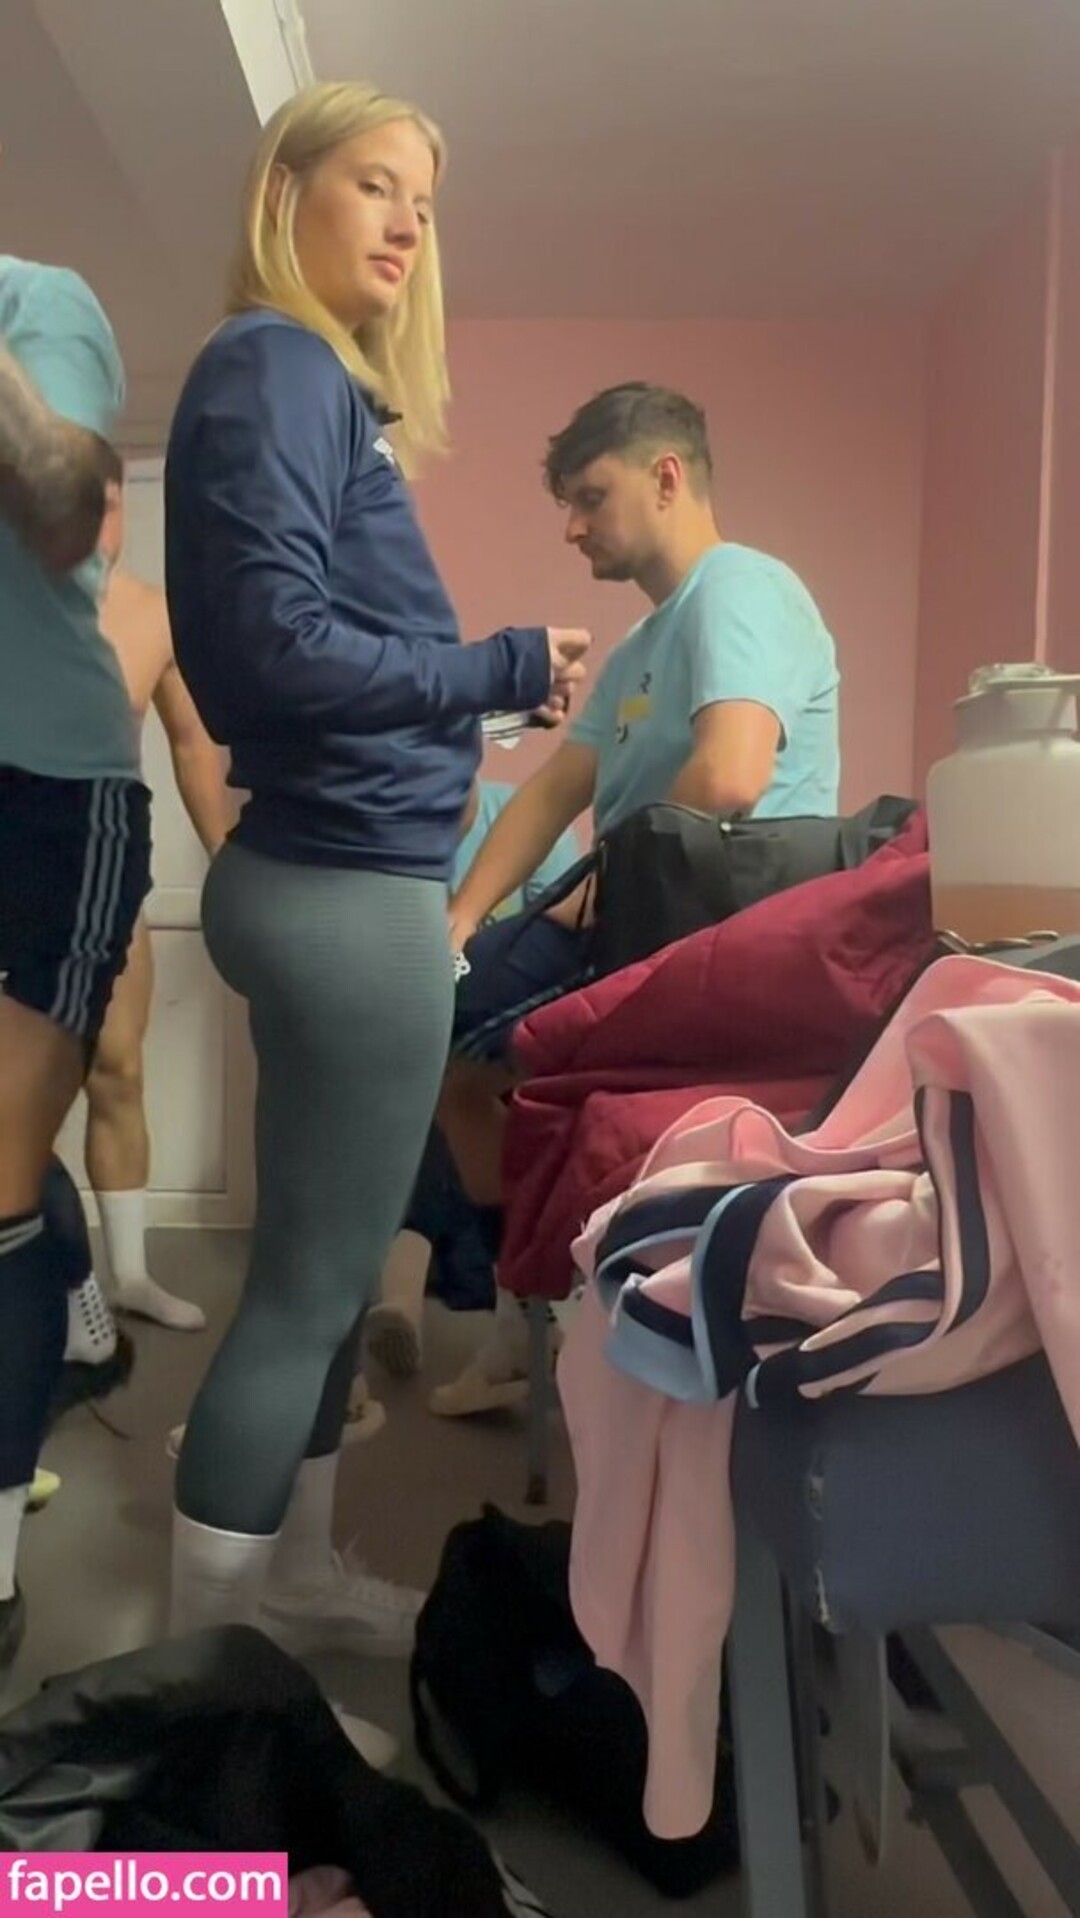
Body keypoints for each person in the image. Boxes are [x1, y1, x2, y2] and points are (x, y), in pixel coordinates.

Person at [162, 81, 590, 1665]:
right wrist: (491, 667)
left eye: (425, 198)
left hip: (340, 878)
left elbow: (308, 643)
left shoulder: (310, 385)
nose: (409, 220)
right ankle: (206, 1690)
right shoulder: (275, 363)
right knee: (305, 1292)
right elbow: (269, 651)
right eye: (374, 182)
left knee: (329, 1281)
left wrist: (474, 685)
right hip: (346, 893)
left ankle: (287, 1584)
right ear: (287, 193)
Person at [434, 380, 841, 1411]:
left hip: (707, 933)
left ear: (666, 477)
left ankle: (537, 1316)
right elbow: (550, 793)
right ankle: (525, 1314)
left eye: (590, 497)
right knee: (436, 1031)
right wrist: (460, 920)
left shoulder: (741, 588)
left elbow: (733, 774)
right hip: (636, 917)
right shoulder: (644, 646)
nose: (572, 527)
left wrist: (606, 883)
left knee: (435, 1036)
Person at [0, 259, 151, 1676]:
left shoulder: (39, 305)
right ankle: (81, 1310)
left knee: (4, 1163)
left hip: (46, 791)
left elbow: (55, 513)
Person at [364, 777, 580, 1382]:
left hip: (502, 1040)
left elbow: (558, 932)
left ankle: (401, 1295)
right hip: (411, 1036)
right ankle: (411, 1299)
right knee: (421, 1097)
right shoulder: (383, 826)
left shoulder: (519, 813)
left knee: (440, 1096)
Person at [81, 460, 230, 1332]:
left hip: (105, 872)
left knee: (119, 1070)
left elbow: (192, 745)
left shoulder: (154, 614)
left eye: (105, 505)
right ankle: (42, 1282)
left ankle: (129, 1275)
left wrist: (227, 861)